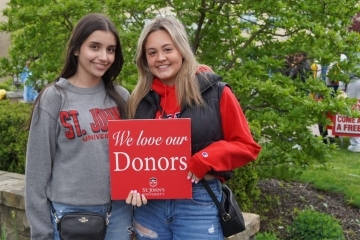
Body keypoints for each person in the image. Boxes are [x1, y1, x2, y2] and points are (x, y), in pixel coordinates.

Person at [126, 16, 262, 239]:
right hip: (150, 208)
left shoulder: (215, 92)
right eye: (152, 53)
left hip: (198, 203)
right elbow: (132, 159)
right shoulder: (139, 100)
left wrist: (204, 158)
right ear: (144, 59)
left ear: (181, 50)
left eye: (167, 49)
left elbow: (247, 146)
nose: (160, 58)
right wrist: (133, 184)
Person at [25, 13, 134, 240]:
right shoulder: (54, 98)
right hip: (70, 215)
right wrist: (41, 233)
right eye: (94, 47)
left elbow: (138, 157)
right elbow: (36, 174)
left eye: (111, 49)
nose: (104, 56)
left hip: (119, 212)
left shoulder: (122, 97)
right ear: (76, 49)